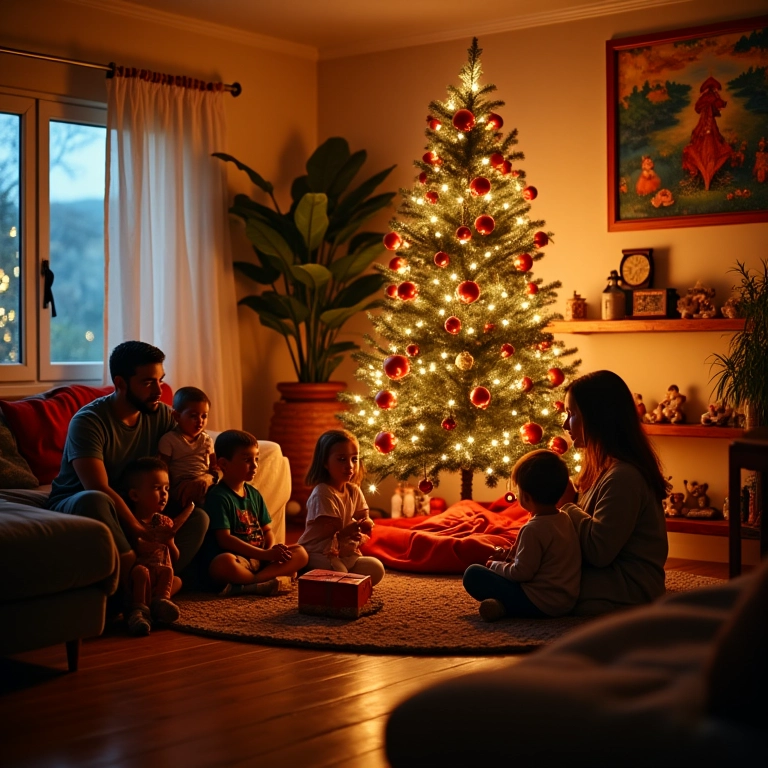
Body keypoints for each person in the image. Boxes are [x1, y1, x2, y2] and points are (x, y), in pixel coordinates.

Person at [47, 341, 209, 595]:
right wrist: (139, 530)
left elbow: (199, 449)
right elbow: (97, 486)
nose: (160, 390)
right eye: (148, 382)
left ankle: (157, 583)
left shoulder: (162, 415)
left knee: (198, 516)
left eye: (161, 380)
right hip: (81, 503)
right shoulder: (89, 421)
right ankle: (131, 586)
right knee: (95, 499)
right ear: (121, 383)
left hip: (137, 504)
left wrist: (207, 478)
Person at [559, 369, 670, 615]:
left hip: (630, 585)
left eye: (572, 414)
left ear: (597, 418)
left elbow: (598, 552)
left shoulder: (624, 477)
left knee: (547, 583)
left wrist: (566, 505)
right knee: (540, 573)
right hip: (609, 576)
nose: (565, 424)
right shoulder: (601, 469)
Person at [463, 449, 581, 621]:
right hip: (566, 601)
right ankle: (501, 607)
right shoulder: (564, 517)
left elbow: (522, 574)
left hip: (541, 603)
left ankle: (509, 608)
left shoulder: (532, 529)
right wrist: (509, 556)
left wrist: (494, 565)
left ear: (525, 497)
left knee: (473, 574)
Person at [205, 430, 309, 596]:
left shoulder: (254, 494)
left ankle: (252, 583)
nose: (254, 466)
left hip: (261, 558)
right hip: (239, 560)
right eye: (247, 460)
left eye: (256, 459)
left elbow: (267, 530)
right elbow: (224, 540)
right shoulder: (218, 496)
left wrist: (270, 551)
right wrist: (264, 554)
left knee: (300, 553)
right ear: (223, 464)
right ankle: (260, 582)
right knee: (222, 564)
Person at [297, 429, 385, 586]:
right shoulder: (323, 492)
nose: (350, 466)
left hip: (342, 552)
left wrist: (366, 523)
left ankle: (336, 578)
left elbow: (363, 516)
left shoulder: (353, 490)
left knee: (376, 568)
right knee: (341, 575)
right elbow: (333, 530)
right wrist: (350, 530)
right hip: (319, 551)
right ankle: (309, 571)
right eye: (342, 459)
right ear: (325, 462)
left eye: (354, 459)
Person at [123, 457, 195, 636]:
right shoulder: (132, 523)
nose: (164, 494)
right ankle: (139, 610)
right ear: (135, 495)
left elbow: (175, 557)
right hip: (141, 576)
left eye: (167, 488)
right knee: (140, 571)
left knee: (172, 575)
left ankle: (160, 602)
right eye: (157, 488)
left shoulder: (165, 522)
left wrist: (169, 541)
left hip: (160, 574)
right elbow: (136, 550)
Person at [158, 386, 217, 507]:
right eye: (193, 416)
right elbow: (163, 469)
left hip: (205, 482)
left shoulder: (207, 440)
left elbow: (214, 467)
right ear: (176, 416)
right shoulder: (169, 440)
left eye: (204, 416)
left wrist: (209, 478)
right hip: (181, 485)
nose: (200, 421)